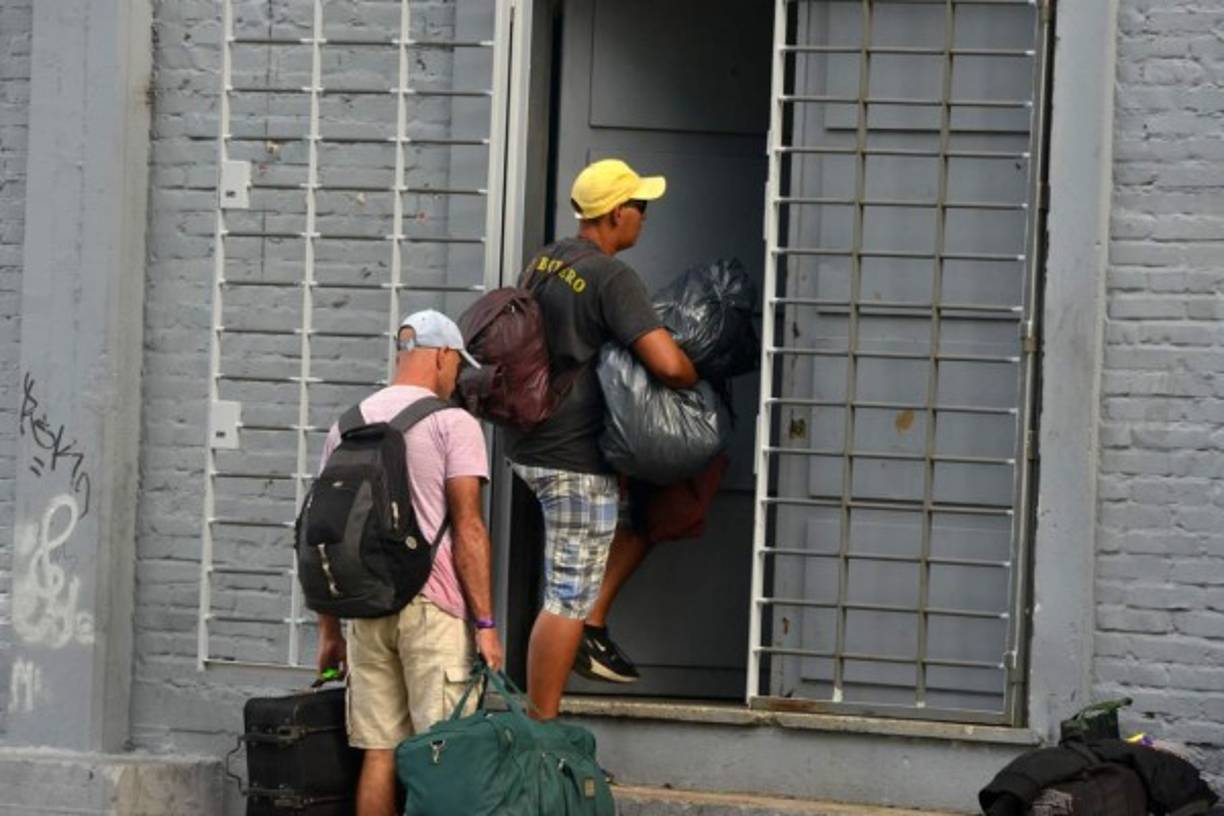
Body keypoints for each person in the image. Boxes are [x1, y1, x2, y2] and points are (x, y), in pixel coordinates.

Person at [507, 158, 698, 717]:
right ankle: (542, 729)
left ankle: (563, 680)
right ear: (618, 213)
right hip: (572, 459)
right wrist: (694, 377)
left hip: (529, 444)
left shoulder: (548, 259)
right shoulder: (612, 277)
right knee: (567, 598)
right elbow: (666, 364)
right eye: (641, 207)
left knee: (572, 580)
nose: (644, 217)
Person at [315, 309, 502, 816]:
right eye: (457, 366)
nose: (457, 378)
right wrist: (485, 623)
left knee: (380, 753)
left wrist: (328, 632)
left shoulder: (346, 425)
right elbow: (469, 529)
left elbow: (324, 533)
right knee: (441, 756)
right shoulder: (452, 424)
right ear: (441, 355)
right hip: (432, 608)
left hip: (364, 610)